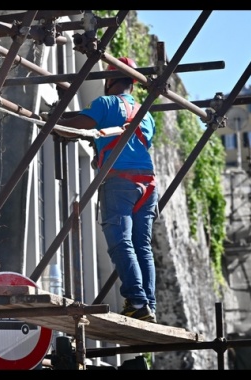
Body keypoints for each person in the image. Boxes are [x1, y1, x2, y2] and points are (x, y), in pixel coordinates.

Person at [53, 57, 158, 323]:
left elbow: (73, 127)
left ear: (109, 80)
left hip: (119, 181)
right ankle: (147, 303)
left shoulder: (106, 104)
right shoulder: (147, 115)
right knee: (141, 245)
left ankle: (136, 300)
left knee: (121, 241)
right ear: (132, 86)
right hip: (147, 184)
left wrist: (54, 118)